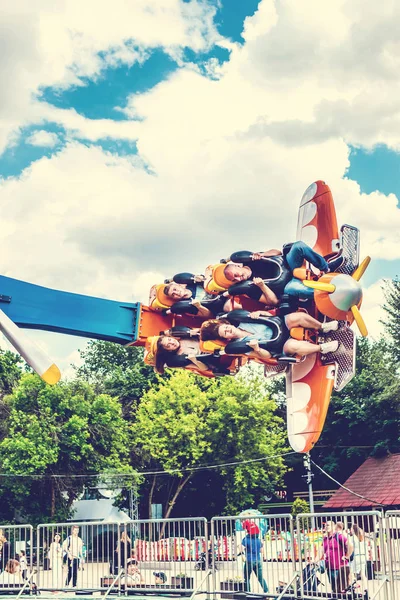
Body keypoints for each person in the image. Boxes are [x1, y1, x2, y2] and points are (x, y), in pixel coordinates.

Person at [217, 242, 344, 304]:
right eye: (235, 280)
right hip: (287, 284)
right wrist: (262, 286)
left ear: (238, 266)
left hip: (289, 264)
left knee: (298, 246)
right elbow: (274, 302)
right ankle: (336, 293)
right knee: (296, 290)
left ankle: (326, 269)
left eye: (236, 275)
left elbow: (277, 252)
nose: (238, 279)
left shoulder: (250, 260)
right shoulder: (248, 288)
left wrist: (262, 255)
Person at [200, 311, 339, 363]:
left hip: (281, 325)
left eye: (226, 327)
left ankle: (322, 327)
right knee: (294, 346)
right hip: (279, 344)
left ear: (227, 324)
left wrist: (260, 313)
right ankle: (322, 348)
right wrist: (257, 348)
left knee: (298, 317)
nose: (228, 330)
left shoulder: (244, 320)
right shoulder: (240, 345)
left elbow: (270, 316)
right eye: (225, 333)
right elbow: (266, 356)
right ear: (227, 338)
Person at [150, 279, 240, 318]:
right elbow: (209, 315)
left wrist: (201, 279)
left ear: (179, 285)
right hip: (221, 304)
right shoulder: (186, 304)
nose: (176, 293)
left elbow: (208, 281)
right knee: (233, 307)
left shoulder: (192, 283)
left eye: (175, 289)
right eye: (173, 294)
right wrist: (199, 306)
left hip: (224, 291)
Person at [320, 520, 349, 594]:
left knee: (342, 590)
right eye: (325, 525)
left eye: (328, 525)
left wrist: (347, 555)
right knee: (334, 589)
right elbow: (321, 552)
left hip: (340, 567)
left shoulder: (339, 536)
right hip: (330, 568)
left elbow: (350, 545)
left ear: (333, 527)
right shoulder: (325, 539)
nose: (326, 527)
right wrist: (314, 560)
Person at [350, 524, 367, 593]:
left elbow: (350, 546)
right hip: (363, 556)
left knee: (352, 573)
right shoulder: (362, 537)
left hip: (356, 556)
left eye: (351, 529)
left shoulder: (353, 538)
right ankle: (366, 588)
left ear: (353, 530)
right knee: (363, 574)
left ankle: (355, 587)